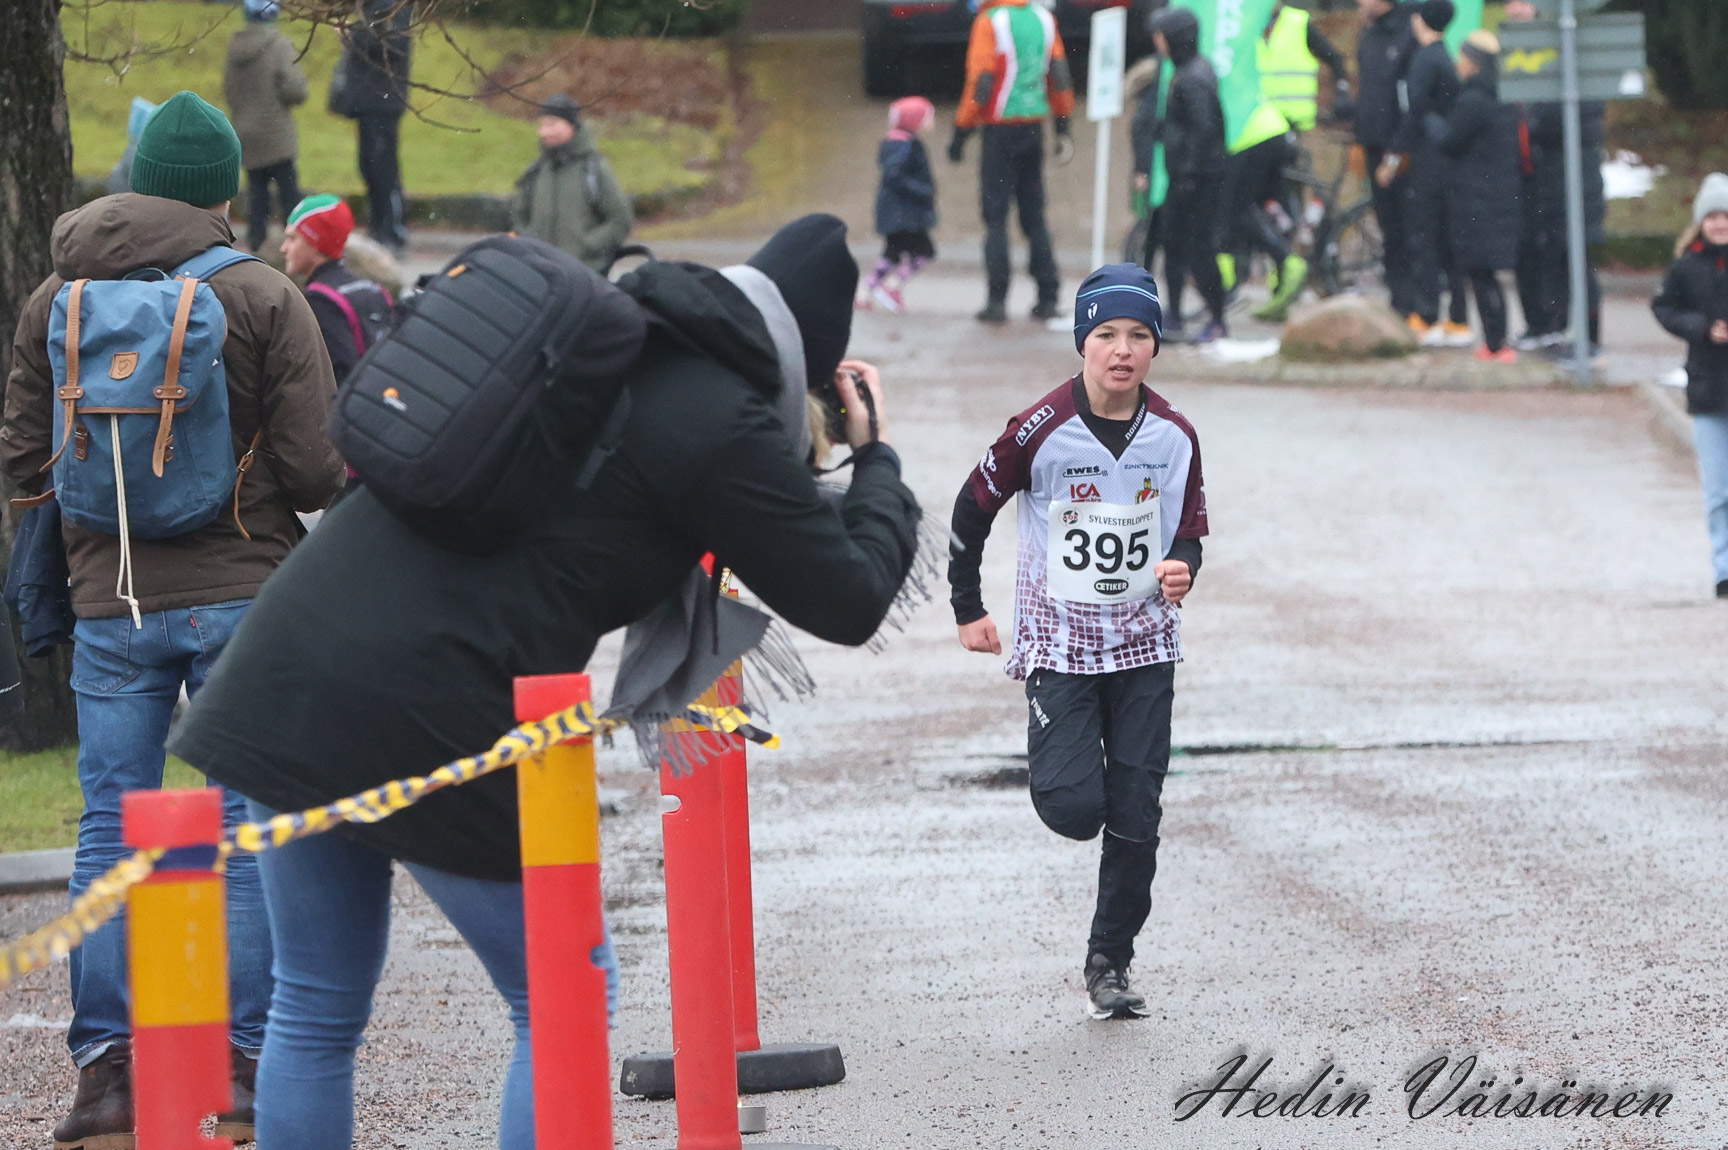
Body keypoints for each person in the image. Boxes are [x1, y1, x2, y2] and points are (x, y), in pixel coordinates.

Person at [163, 213, 927, 1148]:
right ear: (806, 364)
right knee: (560, 993)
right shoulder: (718, 419)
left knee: (316, 1004)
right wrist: (877, 457)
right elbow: (849, 598)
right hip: (431, 699)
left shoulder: (592, 340)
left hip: (288, 655)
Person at [1, 90, 346, 1149]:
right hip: (245, 593)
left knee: (109, 822)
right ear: (224, 192)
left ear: (140, 177)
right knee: (244, 826)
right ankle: (240, 1067)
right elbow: (314, 469)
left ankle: (107, 1078)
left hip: (111, 602)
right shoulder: (262, 293)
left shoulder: (56, 297)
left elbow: (21, 456)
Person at [947, 263, 1206, 1020]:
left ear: (1154, 345)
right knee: (1075, 808)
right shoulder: (1040, 429)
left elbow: (1188, 531)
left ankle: (1109, 961)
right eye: (1106, 334)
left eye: (1138, 336)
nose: (1122, 350)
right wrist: (968, 607)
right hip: (1060, 646)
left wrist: (1183, 567)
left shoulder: (1175, 435)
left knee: (1137, 810)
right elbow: (970, 508)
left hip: (1145, 646)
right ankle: (1061, 761)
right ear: (1082, 342)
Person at [947, 0, 1077, 324]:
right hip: (1033, 126)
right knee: (1034, 214)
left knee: (995, 217)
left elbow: (982, 80)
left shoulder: (991, 21)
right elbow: (1059, 74)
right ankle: (1048, 296)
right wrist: (1063, 125)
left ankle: (997, 301)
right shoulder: (1044, 19)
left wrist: (962, 131)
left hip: (999, 130)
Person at [1503, 0, 1606, 356]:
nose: (1515, 10)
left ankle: (1589, 340)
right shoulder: (1509, 51)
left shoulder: (1566, 56)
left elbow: (1580, 119)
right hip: (1533, 180)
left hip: (1571, 183)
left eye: (1523, 3)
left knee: (1576, 261)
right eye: (1510, 3)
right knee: (1540, 258)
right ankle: (1549, 328)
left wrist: (1536, 124)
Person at [1652, 174, 1728, 598]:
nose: (1720, 223)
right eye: (1712, 216)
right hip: (1707, 391)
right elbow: (1664, 307)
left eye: (1725, 215)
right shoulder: (1686, 267)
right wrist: (1702, 328)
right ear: (1701, 222)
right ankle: (1724, 569)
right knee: (1718, 491)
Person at [1379, 0, 1471, 347]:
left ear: (1420, 20)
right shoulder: (1444, 56)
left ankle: (1427, 314)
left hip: (1427, 163)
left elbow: (1414, 112)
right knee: (1447, 241)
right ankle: (1458, 318)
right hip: (1447, 162)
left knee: (1425, 237)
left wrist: (1392, 158)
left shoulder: (1423, 60)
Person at [1135, 6, 1228, 343]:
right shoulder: (1189, 72)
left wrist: (1187, 173)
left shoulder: (1192, 79)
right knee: (1174, 247)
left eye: (1161, 36)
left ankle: (1217, 320)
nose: (1157, 42)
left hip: (1196, 182)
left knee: (1199, 251)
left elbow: (1204, 133)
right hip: (1186, 178)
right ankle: (1173, 314)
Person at [1432, 31, 1520, 362]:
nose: (1459, 64)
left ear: (1475, 61)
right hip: (1495, 197)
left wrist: (1428, 119)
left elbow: (1449, 140)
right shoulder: (1501, 96)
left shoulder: (1473, 101)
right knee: (1486, 274)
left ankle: (1496, 344)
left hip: (1476, 199)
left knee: (1481, 274)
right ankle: (1497, 341)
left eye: (1463, 57)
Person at [511, 94, 634, 275]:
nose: (544, 132)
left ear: (571, 125)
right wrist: (530, 244)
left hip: (584, 276)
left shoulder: (594, 169)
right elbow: (518, 215)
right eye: (542, 125)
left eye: (552, 124)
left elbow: (620, 219)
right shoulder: (536, 170)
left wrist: (587, 246)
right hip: (540, 274)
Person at [280, 194, 396, 384]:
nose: (284, 248)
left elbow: (337, 376)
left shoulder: (320, 301)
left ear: (315, 243)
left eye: (292, 238)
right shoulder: (372, 288)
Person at [223, 0, 307, 253]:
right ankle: (296, 241)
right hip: (276, 132)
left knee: (257, 193)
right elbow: (296, 90)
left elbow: (228, 89)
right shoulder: (279, 45)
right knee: (289, 193)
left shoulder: (235, 48)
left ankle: (256, 244)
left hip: (246, 132)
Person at [1352, 0, 1419, 319]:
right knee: (1389, 227)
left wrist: (1395, 153)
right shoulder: (1369, 36)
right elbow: (1368, 92)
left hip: (1400, 150)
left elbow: (1410, 102)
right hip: (1373, 146)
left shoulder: (1407, 33)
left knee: (1408, 226)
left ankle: (1414, 302)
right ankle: (1399, 300)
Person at [332, 0, 411, 252]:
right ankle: (379, 227)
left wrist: (352, 35)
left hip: (383, 101)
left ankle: (391, 230)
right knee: (369, 166)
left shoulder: (393, 7)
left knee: (383, 169)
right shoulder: (370, 6)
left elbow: (394, 45)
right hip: (369, 101)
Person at [861, 95, 938, 315]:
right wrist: (922, 191)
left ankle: (865, 291)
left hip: (898, 211)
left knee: (892, 252)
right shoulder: (904, 145)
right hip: (905, 213)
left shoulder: (899, 142)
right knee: (923, 251)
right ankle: (891, 286)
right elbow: (894, 175)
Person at [1258, 0, 1352, 134]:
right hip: (1261, 124)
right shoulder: (1247, 27)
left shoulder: (1298, 23)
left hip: (1296, 122)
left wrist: (1342, 90)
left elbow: (1334, 58)